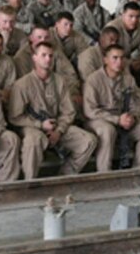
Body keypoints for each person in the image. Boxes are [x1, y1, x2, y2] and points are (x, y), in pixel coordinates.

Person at [8, 42, 97, 179]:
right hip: (31, 127)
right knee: (34, 140)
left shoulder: (59, 81)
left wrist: (59, 131)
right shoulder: (22, 84)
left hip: (56, 125)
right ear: (34, 57)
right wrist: (40, 125)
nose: (48, 59)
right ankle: (30, 183)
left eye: (50, 56)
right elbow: (15, 117)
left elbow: (68, 112)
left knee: (88, 141)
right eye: (43, 55)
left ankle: (64, 177)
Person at [82, 44, 140, 171]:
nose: (119, 62)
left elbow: (138, 104)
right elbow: (90, 111)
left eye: (122, 58)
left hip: (124, 120)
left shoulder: (128, 79)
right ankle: (104, 175)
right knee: (107, 130)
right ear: (105, 60)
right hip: (100, 121)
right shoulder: (93, 80)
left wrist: (132, 117)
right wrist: (116, 120)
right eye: (115, 58)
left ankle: (138, 172)